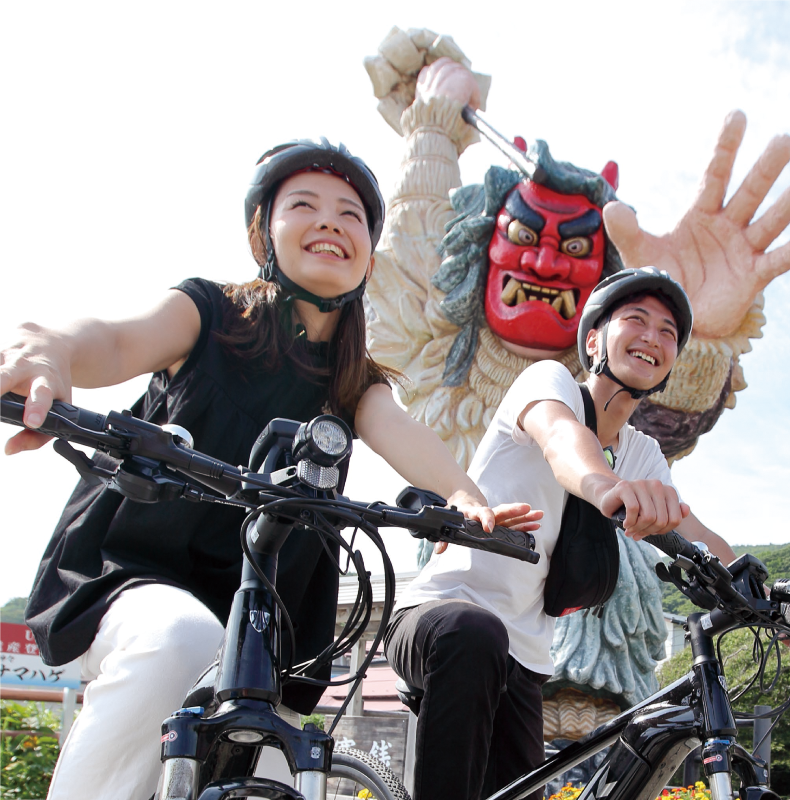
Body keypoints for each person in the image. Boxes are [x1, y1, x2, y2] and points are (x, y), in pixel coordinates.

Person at [0, 139, 540, 800]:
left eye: (352, 215)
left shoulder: (352, 382)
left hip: (265, 618)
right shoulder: (206, 314)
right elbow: (113, 339)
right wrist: (50, 351)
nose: (331, 222)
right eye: (304, 205)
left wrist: (465, 500)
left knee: (284, 766)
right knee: (178, 643)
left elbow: (407, 436)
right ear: (264, 230)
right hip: (133, 574)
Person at [384, 267, 790, 800]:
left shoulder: (642, 452)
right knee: (474, 633)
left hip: (523, 662)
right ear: (595, 339)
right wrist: (605, 488)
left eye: (668, 332)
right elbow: (560, 438)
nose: (653, 337)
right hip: (440, 617)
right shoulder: (548, 382)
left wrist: (775, 602)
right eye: (637, 320)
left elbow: (698, 535)